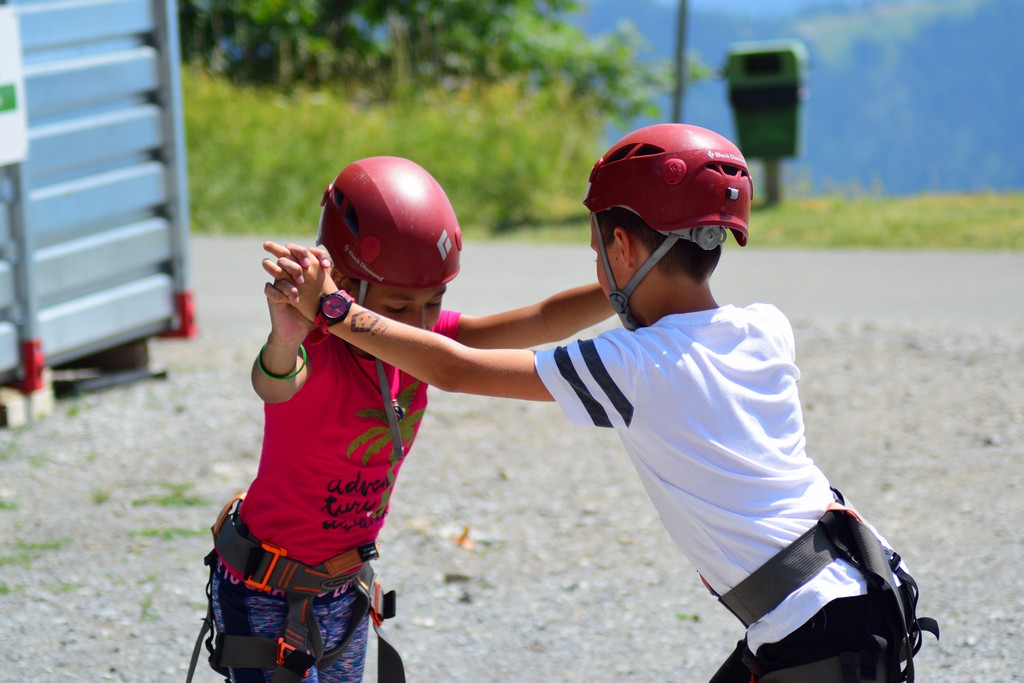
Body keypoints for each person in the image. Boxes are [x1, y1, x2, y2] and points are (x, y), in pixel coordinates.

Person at [263, 125, 938, 682]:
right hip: (857, 591)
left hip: (814, 632)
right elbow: (557, 315)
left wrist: (333, 309)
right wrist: (624, 285)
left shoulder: (640, 366)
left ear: (620, 245)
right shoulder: (764, 324)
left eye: (599, 249)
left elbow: (456, 368)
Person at [187, 155, 612, 683]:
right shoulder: (315, 345)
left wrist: (629, 288)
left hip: (343, 589)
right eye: (399, 305)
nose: (420, 323)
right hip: (264, 591)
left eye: (434, 302)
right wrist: (285, 336)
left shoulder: (426, 347)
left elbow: (542, 320)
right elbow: (274, 382)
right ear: (342, 283)